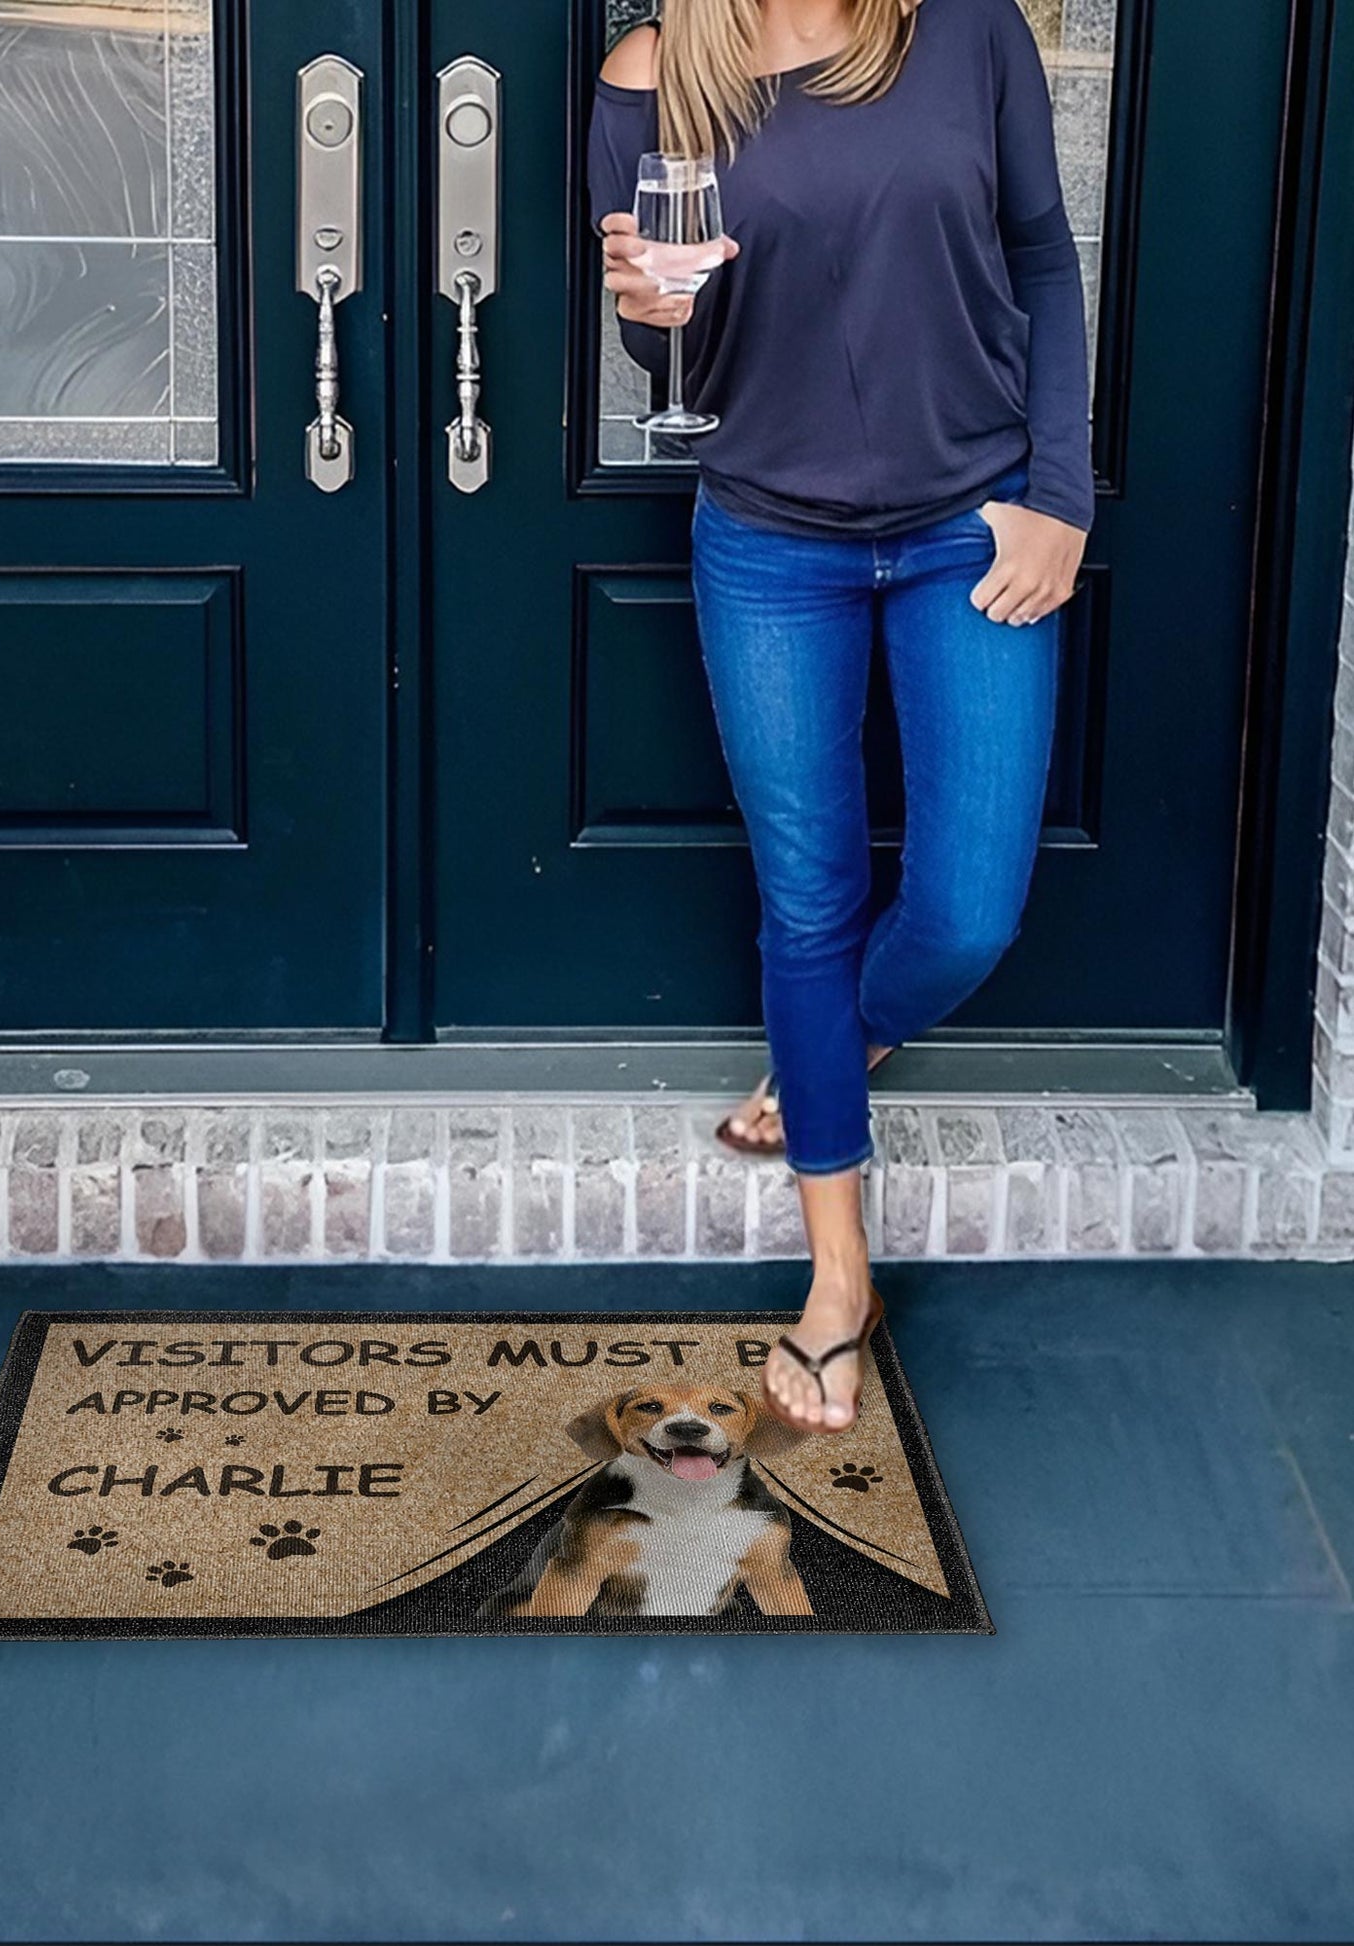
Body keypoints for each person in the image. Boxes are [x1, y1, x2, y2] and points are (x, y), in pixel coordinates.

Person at [588, 0, 1092, 1431]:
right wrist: (650, 314)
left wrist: (1059, 497)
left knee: (964, 911)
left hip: (969, 525)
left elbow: (1043, 262)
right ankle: (834, 1280)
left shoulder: (964, 31)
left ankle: (843, 1029)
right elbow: (663, 352)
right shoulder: (647, 74)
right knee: (803, 902)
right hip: (767, 543)